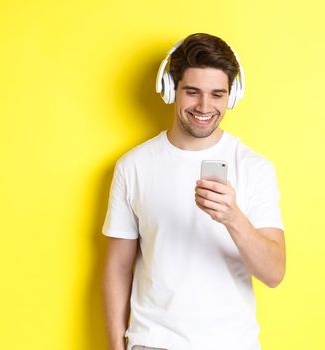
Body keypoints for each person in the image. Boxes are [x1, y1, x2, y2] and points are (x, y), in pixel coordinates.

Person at [102, 33, 286, 350]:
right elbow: (118, 267)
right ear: (172, 89)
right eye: (193, 92)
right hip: (154, 343)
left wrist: (233, 218)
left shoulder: (255, 168)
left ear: (232, 95)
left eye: (217, 94)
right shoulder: (133, 166)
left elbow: (274, 273)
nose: (204, 106)